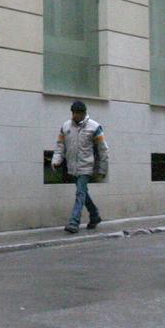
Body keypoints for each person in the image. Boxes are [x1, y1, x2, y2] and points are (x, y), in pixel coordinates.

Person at [51, 100, 109, 234]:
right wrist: (56, 160)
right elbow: (60, 146)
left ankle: (74, 222)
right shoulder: (65, 127)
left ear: (84, 113)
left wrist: (102, 169)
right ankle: (94, 215)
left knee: (80, 193)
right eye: (74, 113)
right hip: (72, 167)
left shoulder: (95, 127)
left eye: (78, 113)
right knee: (83, 193)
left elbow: (103, 150)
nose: (75, 116)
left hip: (86, 167)